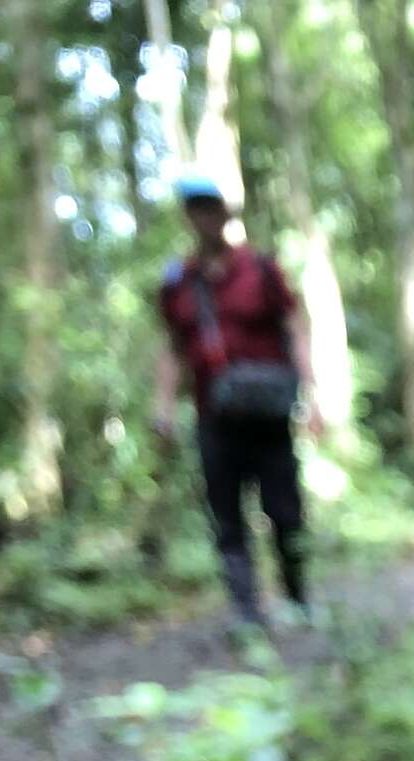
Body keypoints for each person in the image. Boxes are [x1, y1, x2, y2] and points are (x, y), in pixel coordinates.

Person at [153, 172, 324, 634]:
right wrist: (163, 408)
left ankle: (298, 599)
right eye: (196, 209)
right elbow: (171, 347)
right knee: (226, 515)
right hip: (214, 418)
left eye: (212, 207)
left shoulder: (261, 271)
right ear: (188, 217)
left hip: (270, 418)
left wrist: (313, 398)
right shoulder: (179, 282)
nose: (205, 217)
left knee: (285, 511)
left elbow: (294, 331)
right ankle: (246, 612)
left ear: (225, 214)